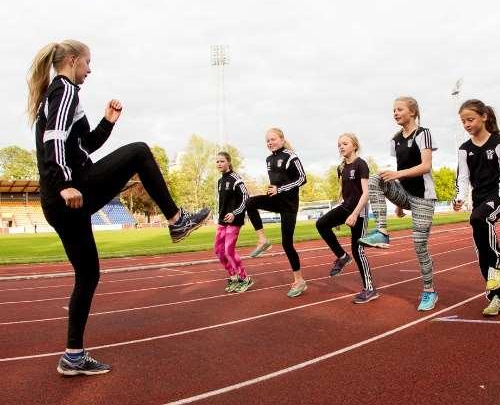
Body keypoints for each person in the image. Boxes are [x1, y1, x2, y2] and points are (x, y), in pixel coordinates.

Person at [27, 40, 210, 376]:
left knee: (88, 275)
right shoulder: (65, 89)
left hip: (61, 200)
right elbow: (52, 139)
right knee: (140, 151)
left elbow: (84, 145)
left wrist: (107, 122)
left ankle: (73, 355)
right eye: (87, 63)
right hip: (69, 190)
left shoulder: (59, 93)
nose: (90, 70)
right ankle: (176, 219)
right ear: (72, 61)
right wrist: (64, 182)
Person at [358, 96, 438, 311]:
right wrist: (399, 203)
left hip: (423, 197)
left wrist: (396, 175)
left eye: (399, 109)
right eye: (393, 110)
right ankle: (382, 231)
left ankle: (429, 291)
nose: (395, 113)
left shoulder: (424, 133)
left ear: (412, 112)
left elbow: (426, 166)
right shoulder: (395, 139)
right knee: (376, 178)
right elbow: (398, 171)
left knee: (419, 246)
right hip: (404, 192)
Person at [453, 99, 500, 316]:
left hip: (499, 196)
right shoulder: (464, 149)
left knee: (478, 219)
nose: (466, 124)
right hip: (479, 200)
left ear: (484, 117)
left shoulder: (499, 143)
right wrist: (459, 198)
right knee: (482, 250)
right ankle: (496, 298)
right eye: (463, 121)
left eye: (470, 119)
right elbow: (462, 178)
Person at [316, 133, 377, 303]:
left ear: (354, 146)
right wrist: (336, 214)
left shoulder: (361, 164)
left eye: (345, 143)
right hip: (345, 208)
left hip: (359, 212)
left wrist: (355, 213)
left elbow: (366, 193)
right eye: (339, 145)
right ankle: (342, 256)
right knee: (321, 224)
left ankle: (370, 289)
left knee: (358, 250)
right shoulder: (341, 167)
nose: (341, 147)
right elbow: (343, 192)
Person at [246, 128, 307, 297]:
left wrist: (280, 189)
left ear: (281, 139)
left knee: (287, 244)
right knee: (250, 202)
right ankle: (263, 240)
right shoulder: (268, 159)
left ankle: (299, 281)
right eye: (267, 140)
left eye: (273, 139)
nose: (270, 142)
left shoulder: (290, 156)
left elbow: (302, 178)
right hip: (275, 200)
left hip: (288, 205)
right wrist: (273, 190)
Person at [214, 152, 253, 293]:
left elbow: (245, 198)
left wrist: (234, 213)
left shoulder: (236, 179)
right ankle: (234, 278)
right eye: (217, 161)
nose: (219, 164)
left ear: (229, 162)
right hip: (222, 221)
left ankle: (245, 278)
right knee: (219, 251)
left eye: (222, 161)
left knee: (229, 251)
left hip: (234, 220)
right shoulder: (220, 181)